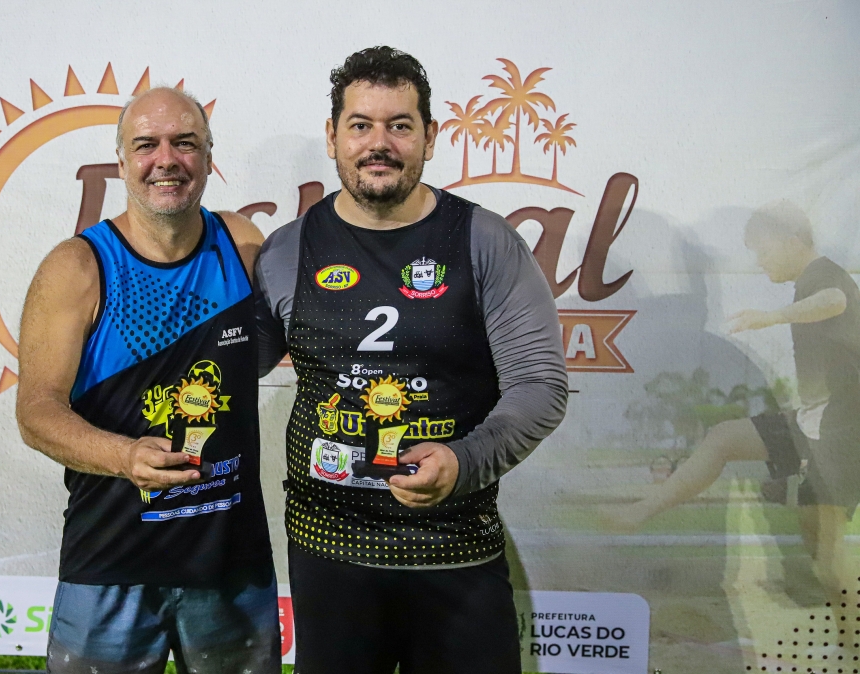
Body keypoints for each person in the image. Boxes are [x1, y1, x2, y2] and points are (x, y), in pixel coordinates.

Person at [254, 47, 568, 674]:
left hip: (455, 549)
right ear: (332, 137)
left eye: (400, 125)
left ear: (430, 135)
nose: (380, 144)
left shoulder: (483, 239)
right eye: (360, 125)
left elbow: (540, 385)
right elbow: (231, 370)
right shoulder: (288, 250)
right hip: (328, 553)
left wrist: (464, 460)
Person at [16, 86, 279, 674]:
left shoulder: (243, 246)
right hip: (111, 566)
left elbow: (265, 354)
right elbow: (36, 413)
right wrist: (125, 456)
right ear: (121, 161)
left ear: (208, 157)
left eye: (185, 143)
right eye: (146, 145)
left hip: (231, 568)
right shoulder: (77, 266)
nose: (166, 160)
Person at [606, 201, 860, 610]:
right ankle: (642, 511)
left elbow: (834, 301)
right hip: (813, 422)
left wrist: (772, 317)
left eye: (764, 251)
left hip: (842, 433)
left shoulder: (824, 275)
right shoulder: (809, 280)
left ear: (794, 242)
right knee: (724, 438)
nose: (759, 262)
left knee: (828, 561)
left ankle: (849, 642)